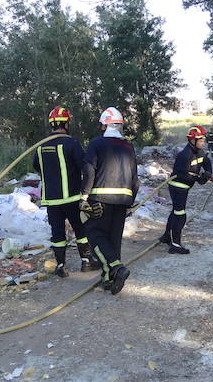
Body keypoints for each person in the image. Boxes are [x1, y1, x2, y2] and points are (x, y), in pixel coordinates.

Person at [32, 106, 100, 277]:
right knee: (80, 228)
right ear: (67, 123)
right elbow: (84, 166)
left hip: (51, 199)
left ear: (52, 125)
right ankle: (86, 261)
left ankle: (60, 265)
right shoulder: (72, 143)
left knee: (57, 232)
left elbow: (36, 166)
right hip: (71, 196)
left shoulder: (41, 146)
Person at [79, 107, 139, 295]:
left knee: (95, 235)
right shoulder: (129, 147)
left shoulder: (96, 144)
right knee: (113, 238)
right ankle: (109, 278)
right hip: (122, 200)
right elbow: (135, 178)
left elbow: (89, 171)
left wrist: (83, 197)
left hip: (100, 198)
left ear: (104, 125)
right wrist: (131, 202)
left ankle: (116, 268)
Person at [159, 125, 213, 254]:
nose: (202, 143)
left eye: (203, 140)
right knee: (180, 214)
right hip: (177, 187)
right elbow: (184, 175)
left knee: (176, 211)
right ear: (192, 140)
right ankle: (175, 245)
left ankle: (167, 236)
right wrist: (199, 179)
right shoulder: (184, 155)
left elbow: (207, 162)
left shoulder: (199, 152)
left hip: (184, 187)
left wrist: (208, 173)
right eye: (200, 141)